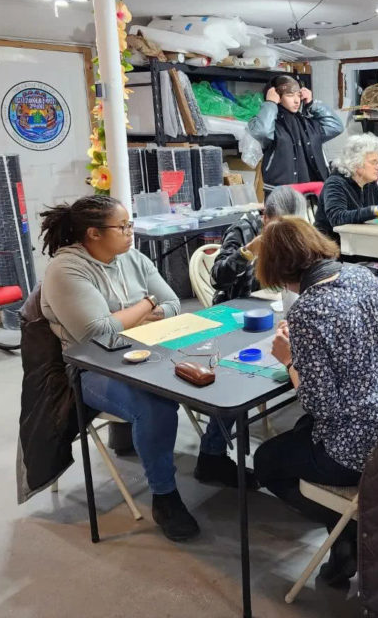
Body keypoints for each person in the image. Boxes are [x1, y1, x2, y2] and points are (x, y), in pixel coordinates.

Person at [38, 195, 248, 543]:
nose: (130, 232)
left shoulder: (131, 257)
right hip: (93, 370)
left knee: (224, 367)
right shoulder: (66, 270)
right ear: (92, 234)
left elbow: (173, 303)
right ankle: (164, 496)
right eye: (121, 227)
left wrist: (130, 317)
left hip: (153, 351)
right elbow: (97, 334)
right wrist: (147, 303)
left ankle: (212, 457)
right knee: (155, 406)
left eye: (130, 224)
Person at [252, 217, 378, 587]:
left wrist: (289, 358)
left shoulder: (308, 311)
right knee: (299, 433)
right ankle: (344, 540)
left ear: (279, 271)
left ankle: (349, 531)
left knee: (266, 461)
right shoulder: (362, 276)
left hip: (362, 446)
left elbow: (320, 406)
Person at [210, 186, 307, 304]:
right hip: (237, 307)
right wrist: (247, 252)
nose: (286, 234)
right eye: (280, 227)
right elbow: (216, 280)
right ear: (265, 217)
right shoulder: (242, 231)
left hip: (275, 303)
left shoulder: (298, 233)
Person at [247, 74, 344, 190]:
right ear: (277, 96)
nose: (296, 100)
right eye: (290, 95)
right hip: (281, 193)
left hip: (313, 192)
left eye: (298, 95)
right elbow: (262, 132)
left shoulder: (307, 123)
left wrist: (313, 104)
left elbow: (336, 126)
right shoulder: (269, 125)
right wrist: (270, 103)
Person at [314, 133, 378, 242]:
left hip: (359, 242)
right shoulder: (335, 183)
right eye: (373, 162)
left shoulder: (369, 184)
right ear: (356, 164)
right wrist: (376, 210)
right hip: (334, 247)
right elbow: (337, 218)